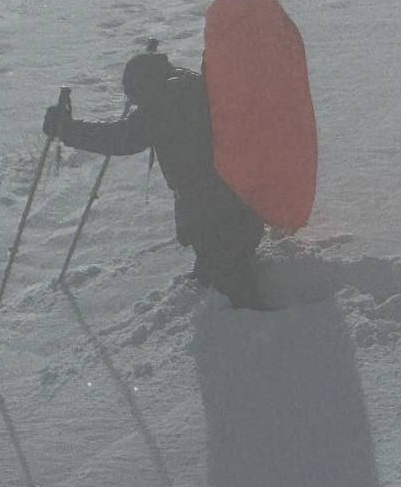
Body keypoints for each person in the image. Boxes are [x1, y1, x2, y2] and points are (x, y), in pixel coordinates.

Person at [43, 51, 266, 310]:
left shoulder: (165, 106)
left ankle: (258, 329)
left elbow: (122, 137)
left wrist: (66, 129)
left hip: (214, 212)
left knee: (237, 293)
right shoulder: (188, 83)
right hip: (238, 203)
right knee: (220, 268)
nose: (136, 105)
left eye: (136, 98)